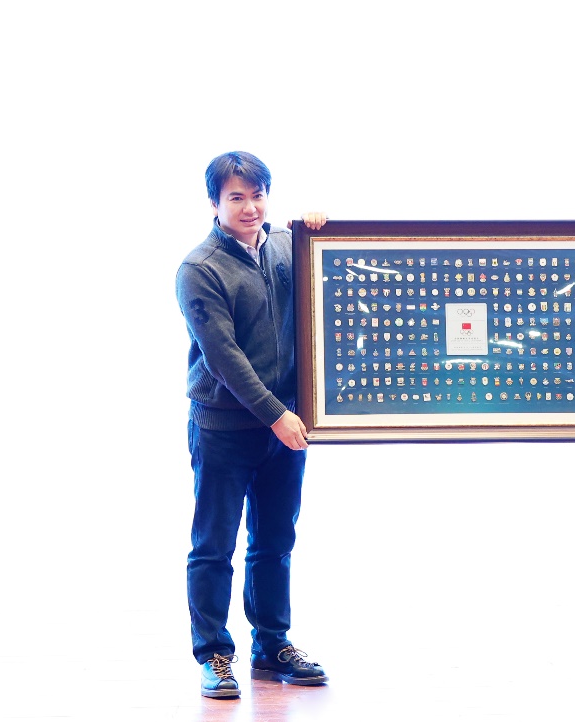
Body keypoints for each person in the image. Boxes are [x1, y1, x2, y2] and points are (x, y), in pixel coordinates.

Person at [176, 151, 328, 699]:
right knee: (213, 546)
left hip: (286, 427)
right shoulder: (199, 269)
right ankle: (214, 655)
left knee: (274, 542)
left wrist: (320, 234)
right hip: (224, 428)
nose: (249, 207)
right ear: (214, 203)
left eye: (257, 194)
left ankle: (271, 645)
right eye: (236, 197)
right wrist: (276, 415)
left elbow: (331, 288)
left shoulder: (287, 246)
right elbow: (224, 358)